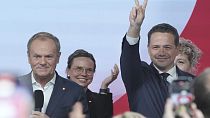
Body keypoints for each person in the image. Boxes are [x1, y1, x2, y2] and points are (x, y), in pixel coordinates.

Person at [120, 0, 194, 117]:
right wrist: (135, 27)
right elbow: (129, 56)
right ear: (148, 48)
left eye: (167, 47)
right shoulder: (139, 76)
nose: (161, 52)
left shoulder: (192, 82)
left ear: (177, 48)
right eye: (156, 47)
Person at [18, 32, 89, 118]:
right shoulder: (13, 87)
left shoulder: (75, 92)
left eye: (49, 57)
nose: (43, 62)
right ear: (29, 57)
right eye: (37, 56)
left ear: (58, 57)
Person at [66, 49, 119, 118]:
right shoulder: (54, 95)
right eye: (79, 69)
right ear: (68, 71)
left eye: (89, 70)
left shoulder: (97, 101)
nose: (84, 74)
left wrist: (104, 85)